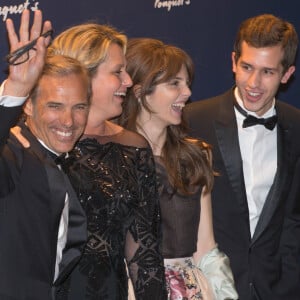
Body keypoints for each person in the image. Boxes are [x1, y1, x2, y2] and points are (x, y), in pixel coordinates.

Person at [46, 24, 166, 299]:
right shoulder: (33, 145)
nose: (128, 81)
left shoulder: (133, 148)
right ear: (82, 77)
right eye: (117, 72)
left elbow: (145, 255)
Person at [185, 14, 300, 300]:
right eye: (247, 67)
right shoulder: (192, 120)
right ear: (234, 61)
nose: (254, 83)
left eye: (268, 72)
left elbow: (293, 219)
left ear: (287, 74)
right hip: (210, 287)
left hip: (277, 288)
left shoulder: (297, 126)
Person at [119, 37, 238, 300]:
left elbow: (205, 246)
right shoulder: (115, 158)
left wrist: (224, 293)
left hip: (190, 290)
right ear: (139, 92)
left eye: (186, 83)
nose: (187, 93)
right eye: (174, 83)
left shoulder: (197, 155)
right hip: (131, 289)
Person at [0, 10, 90, 300]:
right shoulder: (12, 154)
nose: (68, 121)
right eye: (55, 106)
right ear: (27, 106)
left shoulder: (76, 160)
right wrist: (16, 88)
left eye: (79, 107)